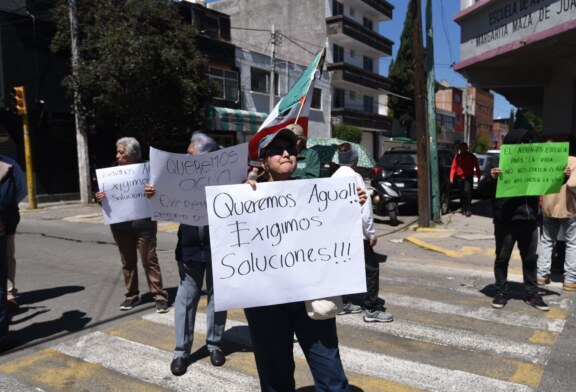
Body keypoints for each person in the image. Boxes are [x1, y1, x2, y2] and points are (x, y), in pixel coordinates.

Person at [244, 127, 367, 392]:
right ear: (263, 162)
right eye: (277, 150)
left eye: (290, 149)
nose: (286, 153)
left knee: (332, 378)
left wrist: (349, 207)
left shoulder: (317, 194)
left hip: (312, 298)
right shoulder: (245, 196)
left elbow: (335, 239)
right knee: (275, 379)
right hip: (267, 305)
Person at [145, 132, 227, 375]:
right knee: (185, 299)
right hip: (190, 248)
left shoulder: (226, 176)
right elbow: (164, 201)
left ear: (206, 157)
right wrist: (154, 194)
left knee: (218, 297)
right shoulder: (179, 176)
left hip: (219, 246)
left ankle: (215, 344)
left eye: (191, 154)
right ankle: (181, 351)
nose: (186, 157)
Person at [95, 137, 169, 313]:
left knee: (149, 260)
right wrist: (99, 198)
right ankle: (132, 295)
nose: (117, 155)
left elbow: (162, 192)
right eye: (118, 151)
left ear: (133, 154)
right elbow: (103, 198)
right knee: (127, 261)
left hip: (144, 224)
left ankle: (159, 295)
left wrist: (153, 191)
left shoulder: (148, 170)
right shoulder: (111, 173)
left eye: (121, 152)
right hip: (120, 225)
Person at [487, 129, 548, 311]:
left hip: (528, 220)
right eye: (523, 141)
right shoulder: (498, 163)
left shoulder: (534, 165)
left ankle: (532, 294)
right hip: (506, 221)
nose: (526, 145)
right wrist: (492, 178)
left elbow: (549, 180)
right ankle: (501, 292)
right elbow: (482, 189)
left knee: (530, 259)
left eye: (529, 141)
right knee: (502, 257)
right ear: (513, 143)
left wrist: (564, 175)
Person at [335, 143, 393, 323]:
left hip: (339, 233)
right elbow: (365, 210)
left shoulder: (333, 178)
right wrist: (371, 234)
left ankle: (344, 302)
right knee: (372, 269)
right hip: (356, 233)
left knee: (344, 267)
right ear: (355, 159)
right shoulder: (356, 178)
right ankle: (371, 308)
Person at [537, 142, 576, 292]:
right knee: (572, 243)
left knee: (547, 240)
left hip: (548, 205)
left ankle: (541, 275)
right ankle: (570, 280)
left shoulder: (548, 160)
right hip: (567, 207)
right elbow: (573, 184)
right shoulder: (573, 161)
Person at [0, 155, 27, 312]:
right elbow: (22, 190)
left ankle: (8, 293)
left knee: (8, 255)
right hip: (6, 218)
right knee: (8, 255)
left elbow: (21, 189)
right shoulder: (10, 163)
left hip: (6, 219)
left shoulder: (9, 163)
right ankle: (8, 294)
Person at [450, 142, 481, 217]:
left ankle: (468, 209)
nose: (462, 149)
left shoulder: (471, 156)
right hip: (460, 178)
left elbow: (477, 166)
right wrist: (451, 177)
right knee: (461, 193)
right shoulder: (457, 157)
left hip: (468, 177)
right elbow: (453, 168)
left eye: (464, 148)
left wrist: (478, 176)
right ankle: (463, 208)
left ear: (467, 149)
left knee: (468, 192)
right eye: (461, 148)